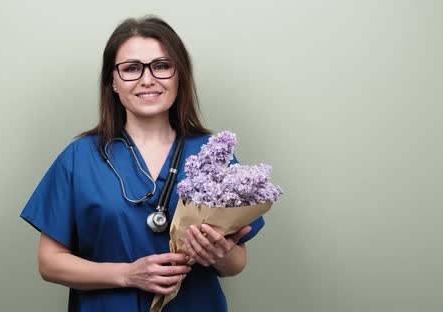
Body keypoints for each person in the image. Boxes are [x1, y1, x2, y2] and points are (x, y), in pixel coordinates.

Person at [20, 15, 265, 312]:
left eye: (162, 66)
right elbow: (49, 263)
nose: (147, 80)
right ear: (112, 81)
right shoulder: (78, 158)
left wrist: (218, 253)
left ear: (179, 76)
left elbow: (236, 264)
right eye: (132, 69)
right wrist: (128, 275)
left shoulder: (212, 153)